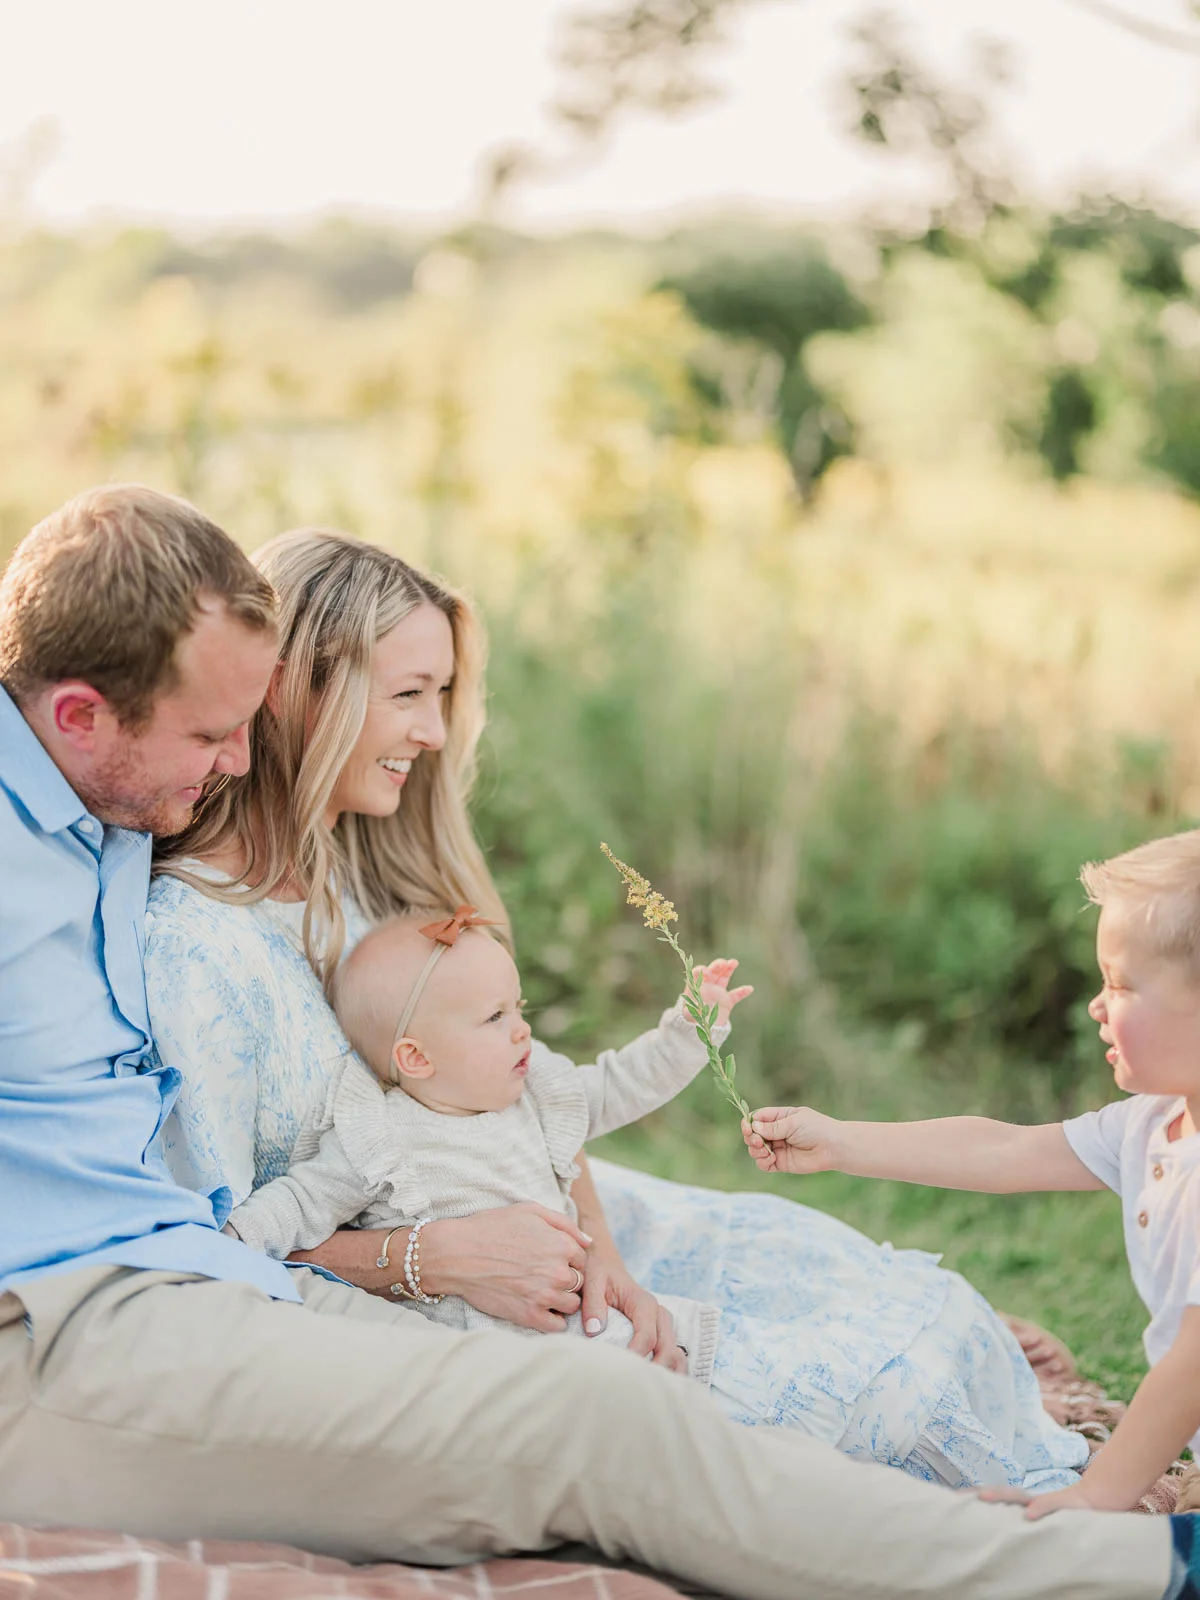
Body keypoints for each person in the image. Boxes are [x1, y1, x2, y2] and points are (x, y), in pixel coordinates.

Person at [0, 484, 1182, 1600]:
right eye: (216, 730)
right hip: (141, 1302)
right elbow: (248, 1206)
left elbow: (499, 1094)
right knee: (625, 1415)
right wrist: (427, 1260)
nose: (237, 762)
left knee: (799, 1330)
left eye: (246, 725)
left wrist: (561, 1240)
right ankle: (1126, 1569)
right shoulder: (143, 896)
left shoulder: (116, 813)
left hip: (241, 1267)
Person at [149, 522, 1086, 1493]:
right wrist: (434, 1257)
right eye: (410, 695)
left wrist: (604, 1254)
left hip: (541, 1216)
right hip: (418, 1291)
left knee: (874, 1291)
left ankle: (1000, 1406)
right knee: (866, 1396)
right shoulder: (194, 946)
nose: (433, 733)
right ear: (303, 688)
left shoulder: (368, 877)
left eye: (443, 696)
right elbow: (209, 1252)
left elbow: (523, 1094)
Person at [744, 827, 1200, 1521]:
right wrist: (841, 1142)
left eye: (1121, 984)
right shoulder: (1152, 1123)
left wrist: (1097, 1494)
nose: (1096, 1006)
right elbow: (1005, 1152)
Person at [226, 906, 739, 1374]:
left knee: (668, 1351)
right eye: (495, 1017)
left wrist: (689, 1031)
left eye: (518, 1008)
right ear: (417, 1058)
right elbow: (301, 1199)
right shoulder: (382, 1138)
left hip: (574, 1311)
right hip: (492, 1349)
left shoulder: (534, 1093)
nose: (522, 1031)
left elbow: (623, 1082)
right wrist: (234, 1238)